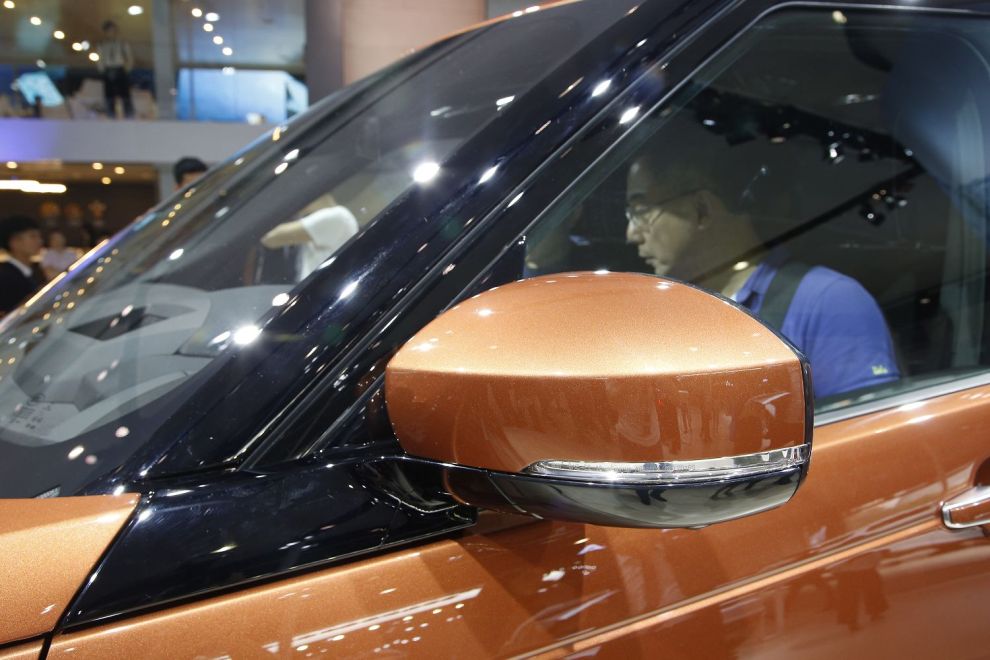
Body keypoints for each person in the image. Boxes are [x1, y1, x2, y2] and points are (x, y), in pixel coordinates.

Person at [625, 130, 900, 399]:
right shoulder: (669, 317)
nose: (631, 234)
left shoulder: (827, 301)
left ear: (702, 210)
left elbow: (864, 425)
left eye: (641, 211)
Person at [0, 216, 46, 315]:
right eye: (33, 236)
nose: (40, 241)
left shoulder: (37, 271)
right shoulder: (4, 277)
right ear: (14, 242)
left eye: (39, 237)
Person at [95, 20, 134, 118]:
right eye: (108, 31)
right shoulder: (102, 45)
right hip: (108, 69)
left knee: (124, 92)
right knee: (109, 93)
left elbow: (129, 57)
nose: (111, 32)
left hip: (120, 68)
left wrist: (127, 69)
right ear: (105, 32)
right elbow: (100, 58)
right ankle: (110, 113)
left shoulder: (122, 43)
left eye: (113, 30)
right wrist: (102, 69)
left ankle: (128, 113)